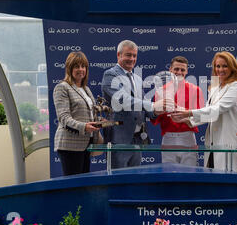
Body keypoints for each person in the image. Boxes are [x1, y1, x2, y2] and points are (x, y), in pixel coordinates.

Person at [171, 51, 237, 171]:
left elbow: (218, 109)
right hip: (212, 144)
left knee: (226, 180)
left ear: (232, 68)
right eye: (218, 66)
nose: (220, 69)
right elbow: (208, 114)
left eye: (225, 66)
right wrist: (187, 120)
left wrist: (189, 112)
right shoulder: (215, 87)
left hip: (228, 142)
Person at [101, 40, 170, 169]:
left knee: (134, 179)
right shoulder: (110, 75)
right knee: (118, 181)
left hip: (137, 139)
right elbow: (124, 101)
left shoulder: (137, 78)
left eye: (134, 55)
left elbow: (143, 105)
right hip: (119, 139)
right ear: (119, 55)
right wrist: (153, 105)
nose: (132, 59)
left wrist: (156, 111)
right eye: (128, 55)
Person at [53, 51, 103, 176]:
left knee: (83, 185)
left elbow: (90, 113)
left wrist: (99, 121)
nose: (80, 69)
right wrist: (84, 127)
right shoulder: (62, 87)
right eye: (76, 66)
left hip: (87, 144)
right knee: (73, 187)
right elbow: (63, 117)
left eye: (83, 66)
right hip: (70, 146)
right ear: (69, 68)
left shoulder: (86, 89)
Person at [150, 56, 205, 166]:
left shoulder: (196, 90)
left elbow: (201, 117)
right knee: (168, 175)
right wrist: (158, 110)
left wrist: (185, 118)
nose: (179, 72)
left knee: (190, 175)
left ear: (187, 71)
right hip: (168, 137)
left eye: (182, 70)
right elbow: (155, 118)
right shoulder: (161, 91)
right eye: (176, 69)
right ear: (170, 69)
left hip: (188, 137)